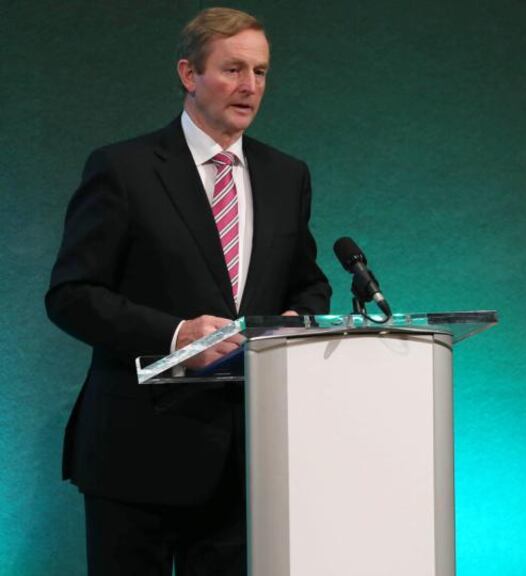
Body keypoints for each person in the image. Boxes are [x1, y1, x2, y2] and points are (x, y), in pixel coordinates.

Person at [45, 7, 331, 574]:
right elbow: (72, 294)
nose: (250, 86)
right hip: (137, 453)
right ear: (188, 74)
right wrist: (176, 333)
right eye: (233, 69)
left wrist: (298, 318)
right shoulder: (123, 169)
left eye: (261, 72)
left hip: (245, 459)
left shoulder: (285, 174)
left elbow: (309, 281)